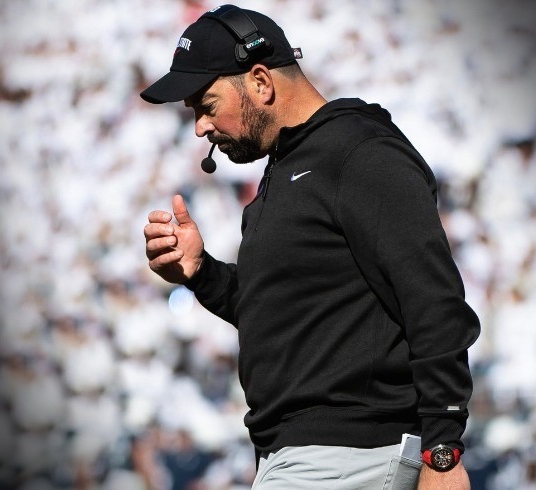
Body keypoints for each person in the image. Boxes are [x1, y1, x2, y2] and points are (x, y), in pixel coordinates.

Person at [141, 5, 480, 489]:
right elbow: (286, 313)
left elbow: (433, 298)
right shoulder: (287, 170)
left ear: (260, 82)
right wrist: (201, 273)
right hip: (306, 458)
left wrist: (443, 452)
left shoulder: (359, 151)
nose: (199, 127)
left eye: (206, 105)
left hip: (349, 456)